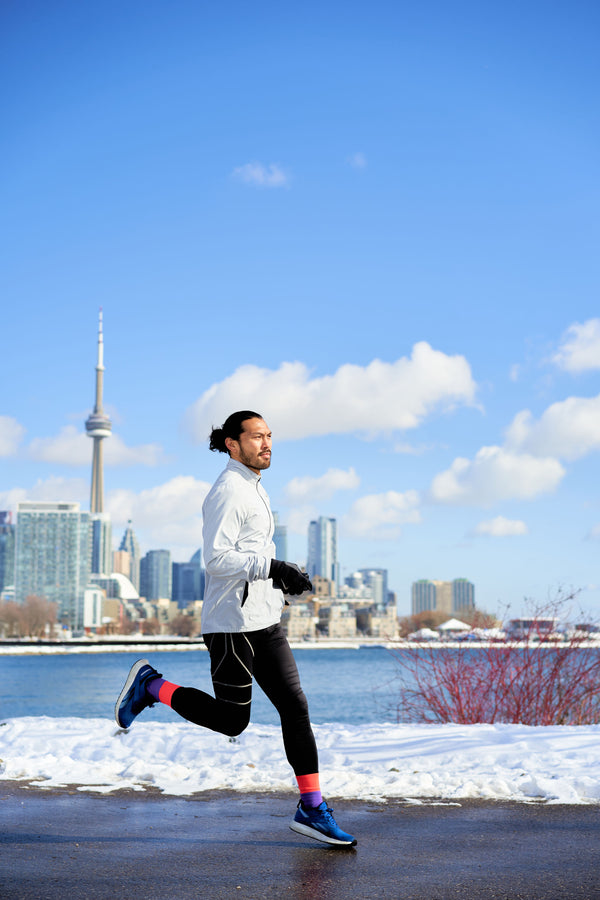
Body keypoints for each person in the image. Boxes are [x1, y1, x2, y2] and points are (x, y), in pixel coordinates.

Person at [115, 410, 356, 847]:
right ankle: (151, 686)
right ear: (232, 442)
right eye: (257, 437)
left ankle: (312, 808)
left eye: (269, 436)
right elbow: (217, 559)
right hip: (230, 626)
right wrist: (273, 566)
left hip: (265, 620)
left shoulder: (255, 488)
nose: (266, 444)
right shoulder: (227, 491)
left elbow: (252, 555)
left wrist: (282, 578)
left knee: (295, 707)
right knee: (232, 721)